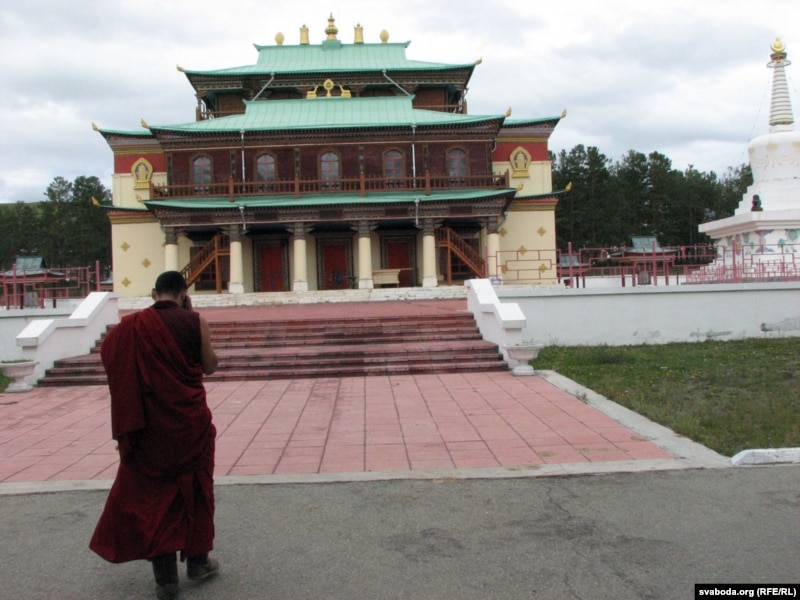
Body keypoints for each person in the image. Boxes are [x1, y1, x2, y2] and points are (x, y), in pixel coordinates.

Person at [90, 271, 220, 600]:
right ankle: (198, 562)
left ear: (153, 293)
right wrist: (190, 317)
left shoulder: (129, 328)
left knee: (156, 500)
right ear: (184, 293)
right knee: (196, 488)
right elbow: (210, 366)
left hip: (149, 429)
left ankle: (166, 581)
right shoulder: (195, 322)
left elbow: (112, 359)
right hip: (189, 425)